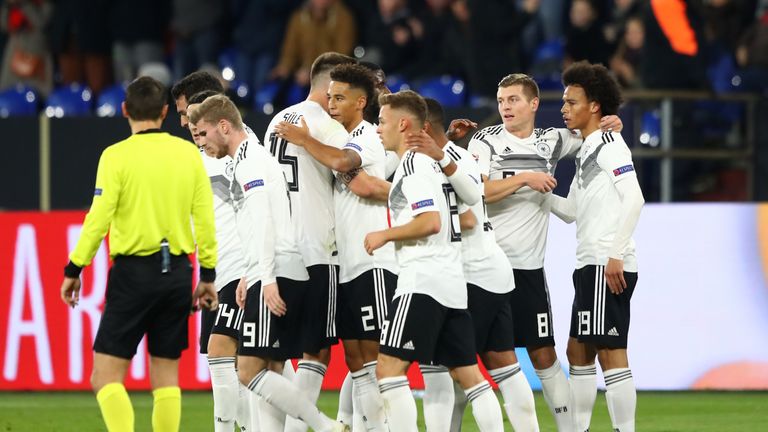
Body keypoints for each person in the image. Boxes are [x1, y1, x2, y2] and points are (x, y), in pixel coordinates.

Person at [59, 76, 219, 432]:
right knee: (166, 378)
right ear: (165, 112)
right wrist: (207, 275)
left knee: (105, 376)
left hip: (133, 275)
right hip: (178, 272)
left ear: (124, 110)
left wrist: (75, 266)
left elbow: (98, 218)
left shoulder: (116, 156)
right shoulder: (187, 154)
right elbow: (205, 219)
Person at [466, 73, 622, 432]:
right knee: (469, 357)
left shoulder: (551, 141)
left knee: (545, 357)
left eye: (514, 100)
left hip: (528, 270)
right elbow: (477, 192)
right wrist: (524, 178)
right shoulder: (485, 141)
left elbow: (592, 135)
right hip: (486, 267)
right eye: (502, 100)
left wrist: (612, 123)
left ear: (534, 104)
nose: (505, 107)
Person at [190, 94, 349, 432]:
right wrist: (252, 274)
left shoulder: (249, 161)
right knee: (273, 369)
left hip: (278, 270)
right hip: (274, 269)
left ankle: (324, 425)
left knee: (248, 371)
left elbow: (263, 220)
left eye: (203, 134)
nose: (200, 142)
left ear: (223, 126)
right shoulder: (245, 159)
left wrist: (265, 277)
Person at [364, 90, 503, 432]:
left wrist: (385, 235)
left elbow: (430, 222)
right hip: (452, 283)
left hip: (422, 279)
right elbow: (472, 201)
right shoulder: (436, 161)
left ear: (403, 124)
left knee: (388, 371)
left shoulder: (413, 165)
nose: (377, 128)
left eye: (381, 121)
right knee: (469, 375)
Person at [273, 63, 394, 431]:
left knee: (374, 363)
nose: (331, 104)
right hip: (345, 263)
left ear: (361, 102)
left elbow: (346, 165)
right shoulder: (344, 134)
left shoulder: (365, 137)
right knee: (356, 361)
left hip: (370, 262)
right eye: (330, 96)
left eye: (339, 98)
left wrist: (305, 139)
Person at [409, 97, 540, 431]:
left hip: (470, 277)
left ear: (423, 129)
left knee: (444, 373)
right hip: (493, 271)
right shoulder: (461, 155)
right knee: (504, 367)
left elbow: (465, 218)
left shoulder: (435, 164)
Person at [263, 51, 356, 432]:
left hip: (282, 249)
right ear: (331, 86)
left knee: (274, 355)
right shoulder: (331, 128)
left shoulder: (275, 121)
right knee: (316, 351)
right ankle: (308, 427)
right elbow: (350, 169)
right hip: (320, 250)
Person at [551, 61, 644, 432]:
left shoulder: (609, 142)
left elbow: (634, 198)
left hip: (606, 262)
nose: (564, 108)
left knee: (610, 352)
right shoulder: (587, 150)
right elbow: (571, 210)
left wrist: (615, 254)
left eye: (572, 102)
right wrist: (533, 192)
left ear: (594, 106)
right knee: (578, 350)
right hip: (589, 263)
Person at [182, 87, 251, 432]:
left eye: (192, 116)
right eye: (183, 118)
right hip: (220, 269)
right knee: (242, 361)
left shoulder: (239, 151)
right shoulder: (200, 156)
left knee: (227, 354)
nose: (188, 125)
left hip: (241, 268)